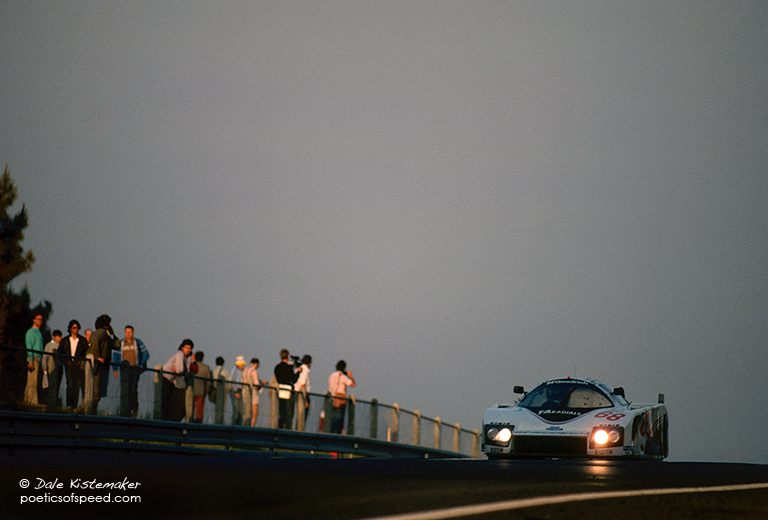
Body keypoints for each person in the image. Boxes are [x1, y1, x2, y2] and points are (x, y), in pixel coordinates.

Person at [112, 325, 149, 417]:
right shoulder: (121, 343)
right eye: (127, 332)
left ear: (133, 333)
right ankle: (126, 411)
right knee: (125, 389)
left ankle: (134, 409)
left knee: (133, 389)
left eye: (130, 332)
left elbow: (146, 354)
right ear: (124, 333)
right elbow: (115, 356)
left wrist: (141, 364)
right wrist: (115, 369)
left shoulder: (138, 342)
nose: (128, 334)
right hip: (124, 369)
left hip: (135, 369)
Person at [86, 315, 120, 409]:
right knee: (95, 392)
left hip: (103, 366)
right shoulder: (101, 332)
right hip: (98, 366)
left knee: (99, 392)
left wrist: (113, 334)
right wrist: (98, 357)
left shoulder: (106, 335)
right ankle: (90, 411)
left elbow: (116, 345)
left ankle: (92, 411)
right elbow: (94, 341)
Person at [57, 320, 88, 409]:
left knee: (76, 385)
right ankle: (69, 404)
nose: (76, 329)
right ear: (70, 329)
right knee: (70, 383)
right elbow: (60, 353)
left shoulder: (82, 341)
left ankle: (74, 405)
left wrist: (80, 361)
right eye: (74, 328)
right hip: (69, 365)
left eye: (77, 328)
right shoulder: (65, 341)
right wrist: (66, 361)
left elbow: (86, 352)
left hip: (78, 365)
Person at [162, 339, 195, 421]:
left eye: (189, 348)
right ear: (182, 347)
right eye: (186, 347)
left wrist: (182, 369)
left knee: (171, 400)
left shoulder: (188, 357)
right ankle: (163, 418)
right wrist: (181, 370)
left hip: (172, 380)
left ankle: (168, 419)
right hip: (166, 377)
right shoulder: (180, 354)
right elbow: (180, 370)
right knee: (165, 399)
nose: (187, 350)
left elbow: (186, 370)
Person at [328, 360, 356, 434]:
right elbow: (353, 384)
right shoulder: (343, 377)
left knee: (331, 421)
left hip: (331, 399)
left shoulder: (331, 376)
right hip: (339, 401)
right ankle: (337, 435)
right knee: (338, 422)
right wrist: (350, 376)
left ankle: (330, 434)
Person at [274, 349, 299, 430]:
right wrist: (298, 372)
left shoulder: (277, 367)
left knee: (282, 412)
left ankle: (280, 428)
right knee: (289, 413)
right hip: (289, 391)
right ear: (288, 357)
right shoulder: (289, 368)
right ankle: (288, 429)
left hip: (280, 390)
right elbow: (293, 379)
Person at [24, 313, 45, 406]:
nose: (40, 321)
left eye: (41, 319)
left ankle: (30, 400)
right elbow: (29, 346)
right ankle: (31, 401)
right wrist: (30, 360)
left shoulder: (39, 332)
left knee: (36, 380)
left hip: (39, 357)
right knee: (32, 380)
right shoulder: (31, 332)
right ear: (34, 320)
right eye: (38, 319)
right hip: (34, 357)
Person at [242, 358, 268, 427]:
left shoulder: (244, 370)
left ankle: (245, 425)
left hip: (244, 391)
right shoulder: (254, 371)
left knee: (247, 411)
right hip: (253, 392)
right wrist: (262, 383)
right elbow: (256, 385)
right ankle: (251, 426)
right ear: (256, 364)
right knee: (254, 412)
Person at [41, 329, 63, 405]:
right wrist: (44, 367)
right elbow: (45, 356)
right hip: (50, 367)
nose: (59, 338)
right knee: (49, 384)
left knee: (57, 384)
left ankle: (55, 400)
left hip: (59, 366)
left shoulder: (61, 345)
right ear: (54, 337)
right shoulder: (49, 345)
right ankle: (48, 401)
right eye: (57, 337)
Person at [192, 351, 211, 423]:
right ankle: (199, 421)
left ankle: (190, 419)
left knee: (191, 406)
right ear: (202, 358)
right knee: (200, 408)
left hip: (192, 389)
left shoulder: (191, 366)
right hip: (202, 391)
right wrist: (207, 390)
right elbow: (208, 381)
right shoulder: (206, 368)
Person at [230, 356, 247, 426]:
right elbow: (231, 381)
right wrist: (235, 391)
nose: (243, 366)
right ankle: (234, 425)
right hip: (235, 390)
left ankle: (239, 425)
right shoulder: (235, 370)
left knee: (241, 410)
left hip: (240, 390)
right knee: (236, 410)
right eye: (242, 364)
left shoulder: (243, 371)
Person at [294, 355, 312, 421]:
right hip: (303, 395)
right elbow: (303, 385)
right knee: (302, 416)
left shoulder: (299, 369)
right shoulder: (304, 371)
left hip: (297, 393)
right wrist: (306, 400)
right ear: (309, 363)